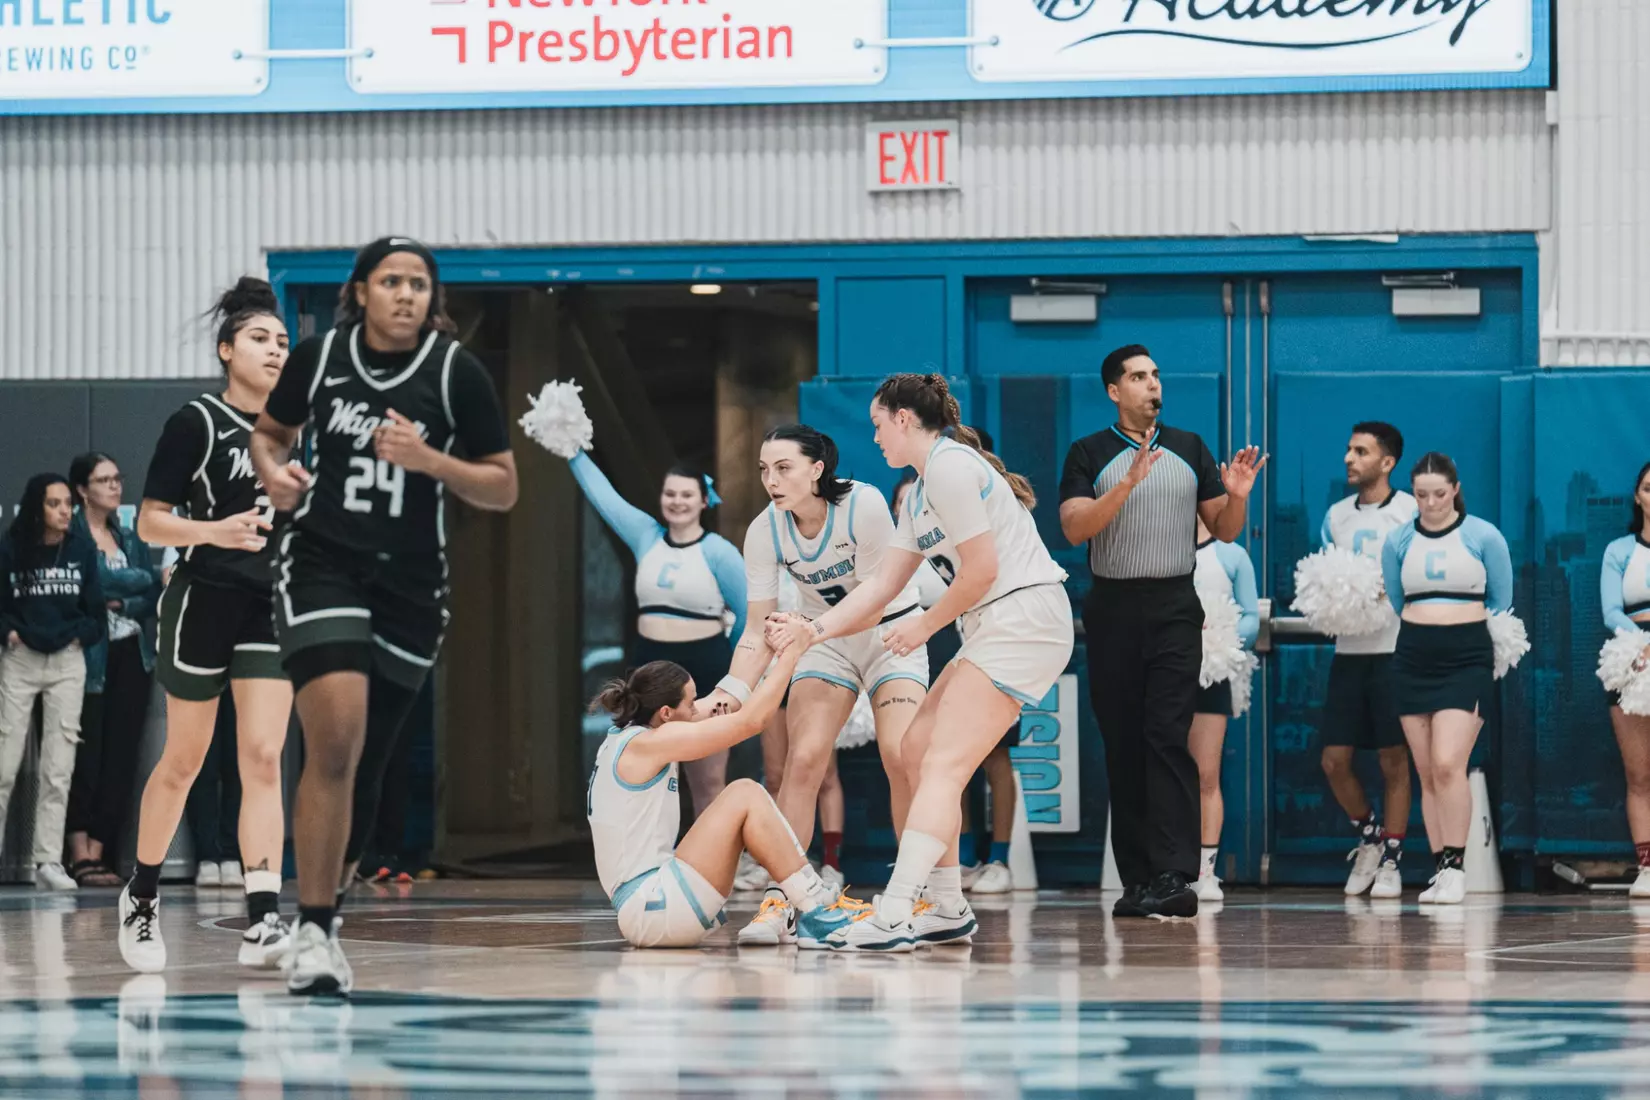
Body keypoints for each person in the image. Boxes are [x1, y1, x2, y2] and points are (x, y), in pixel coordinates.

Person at [251, 238, 518, 995]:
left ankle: (325, 917)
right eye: (391, 281)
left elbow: (502, 488)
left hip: (412, 583)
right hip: (323, 561)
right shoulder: (320, 357)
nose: (406, 294)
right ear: (361, 290)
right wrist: (276, 476)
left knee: (366, 760)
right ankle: (311, 928)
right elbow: (269, 436)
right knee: (334, 735)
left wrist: (432, 460)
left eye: (419, 284)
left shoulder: (454, 372)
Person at [768, 374, 1073, 950]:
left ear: (903, 418)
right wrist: (814, 630)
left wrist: (924, 626)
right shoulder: (919, 490)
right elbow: (882, 584)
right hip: (992, 625)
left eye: (879, 423)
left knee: (942, 765)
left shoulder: (955, 468)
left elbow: (981, 571)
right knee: (913, 749)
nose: (875, 436)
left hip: (1024, 619)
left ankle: (896, 910)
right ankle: (949, 905)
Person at [118, 278, 299, 974]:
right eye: (259, 339)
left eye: (282, 341)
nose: (274, 350)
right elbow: (149, 520)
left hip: (267, 605)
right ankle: (142, 894)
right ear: (227, 350)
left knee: (262, 758)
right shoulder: (195, 422)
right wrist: (215, 530)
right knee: (185, 761)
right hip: (202, 600)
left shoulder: (294, 432)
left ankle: (262, 918)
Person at [1057, 344, 1264, 919]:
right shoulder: (1088, 453)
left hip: (1176, 604)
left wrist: (1239, 497)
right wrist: (1124, 485)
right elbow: (1075, 528)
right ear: (1113, 391)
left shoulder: (1190, 446)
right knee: (1123, 743)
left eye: (1156, 375)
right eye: (1139, 377)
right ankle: (1138, 879)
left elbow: (1222, 529)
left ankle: (1176, 876)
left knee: (1166, 736)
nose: (1152, 385)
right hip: (1113, 608)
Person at [715, 425, 927, 946]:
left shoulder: (865, 504)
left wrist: (810, 630)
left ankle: (917, 895)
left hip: (889, 635)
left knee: (901, 755)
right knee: (803, 758)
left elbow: (877, 597)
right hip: (826, 642)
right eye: (763, 469)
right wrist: (730, 689)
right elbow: (756, 627)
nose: (771, 479)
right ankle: (783, 897)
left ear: (817, 469)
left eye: (783, 467)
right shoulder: (765, 530)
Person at [588, 649, 868, 950]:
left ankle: (803, 904)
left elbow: (728, 697)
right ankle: (815, 907)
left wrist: (770, 650)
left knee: (743, 797)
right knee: (744, 793)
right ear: (666, 713)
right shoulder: (649, 744)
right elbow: (751, 722)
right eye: (691, 702)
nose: (698, 708)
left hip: (652, 906)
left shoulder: (629, 734)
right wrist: (793, 657)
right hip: (656, 907)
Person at [565, 447, 744, 819]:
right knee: (641, 767)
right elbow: (604, 498)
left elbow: (748, 615)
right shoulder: (645, 535)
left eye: (686, 494)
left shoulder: (719, 552)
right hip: (648, 665)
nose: (677, 502)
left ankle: (715, 863)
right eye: (670, 493)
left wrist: (732, 671)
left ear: (703, 501)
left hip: (705, 667)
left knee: (707, 778)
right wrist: (572, 451)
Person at [1381, 452, 1512, 906]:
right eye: (1421, 495)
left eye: (1440, 494)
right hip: (1413, 657)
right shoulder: (1398, 540)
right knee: (1426, 773)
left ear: (1455, 489)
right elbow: (1398, 600)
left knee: (1447, 763)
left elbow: (1501, 596)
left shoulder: (1482, 535)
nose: (1431, 503)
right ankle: (1440, 869)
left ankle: (1457, 867)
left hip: (1467, 657)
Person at [893, 466, 1017, 896]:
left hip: (976, 638)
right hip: (918, 650)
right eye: (905, 503)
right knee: (936, 756)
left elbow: (976, 584)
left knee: (994, 756)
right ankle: (958, 856)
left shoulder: (966, 541)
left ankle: (1000, 857)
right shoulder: (897, 555)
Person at [1318, 422, 1417, 900]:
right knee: (1334, 761)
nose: (1348, 458)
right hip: (1350, 654)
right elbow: (1322, 578)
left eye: (1360, 451)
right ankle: (1371, 836)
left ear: (1387, 462)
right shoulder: (1336, 516)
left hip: (1396, 653)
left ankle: (1394, 858)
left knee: (1393, 759)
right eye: (1348, 448)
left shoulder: (1409, 510)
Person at [64, 451, 163, 889]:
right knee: (88, 755)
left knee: (122, 757)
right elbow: (91, 585)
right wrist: (136, 582)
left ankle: (101, 851)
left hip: (132, 653)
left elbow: (148, 595)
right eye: (104, 480)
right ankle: (78, 850)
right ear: (82, 490)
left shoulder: (127, 534)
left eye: (117, 478)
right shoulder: (74, 537)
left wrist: (125, 594)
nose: (115, 486)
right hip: (91, 655)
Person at [0, 473, 104, 891]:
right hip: (21, 659)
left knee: (58, 768)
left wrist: (80, 635)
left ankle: (48, 862)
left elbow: (95, 611)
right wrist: (9, 632)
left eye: (67, 504)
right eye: (55, 504)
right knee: (5, 764)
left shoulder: (81, 549)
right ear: (36, 507)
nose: (65, 511)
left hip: (66, 661)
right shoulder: (11, 548)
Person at [1189, 516, 1258, 903]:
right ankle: (1167, 867)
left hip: (1212, 671)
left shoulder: (1232, 555)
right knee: (1164, 770)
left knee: (1205, 772)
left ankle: (1205, 871)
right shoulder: (1159, 548)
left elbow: (1250, 615)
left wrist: (1223, 637)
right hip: (1164, 670)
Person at [1602, 460, 1650, 898]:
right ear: (1638, 496)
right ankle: (1648, 866)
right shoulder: (1619, 550)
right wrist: (1644, 646)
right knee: (1639, 774)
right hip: (1633, 659)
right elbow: (1612, 611)